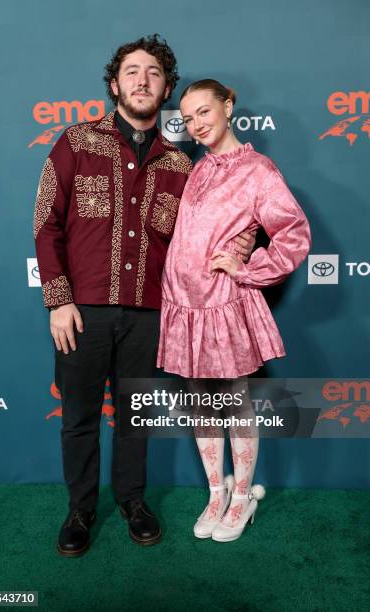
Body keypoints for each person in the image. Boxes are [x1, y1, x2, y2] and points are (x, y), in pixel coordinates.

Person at [34, 38, 254, 556]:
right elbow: (47, 223)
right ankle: (81, 510)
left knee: (136, 418)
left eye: (153, 73)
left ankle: (133, 501)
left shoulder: (182, 165)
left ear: (167, 89)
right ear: (114, 85)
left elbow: (213, 229)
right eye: (131, 72)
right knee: (80, 417)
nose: (141, 80)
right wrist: (58, 299)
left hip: (151, 314)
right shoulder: (76, 142)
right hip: (81, 312)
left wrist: (242, 242)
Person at [157, 79, 311, 542]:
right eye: (188, 118)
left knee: (234, 405)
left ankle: (241, 497)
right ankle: (215, 493)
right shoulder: (197, 168)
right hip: (183, 305)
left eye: (204, 112)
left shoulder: (259, 170)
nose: (197, 124)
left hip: (224, 304)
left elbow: (293, 234)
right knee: (203, 406)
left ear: (228, 107)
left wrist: (247, 267)